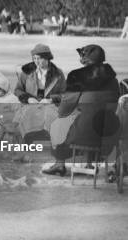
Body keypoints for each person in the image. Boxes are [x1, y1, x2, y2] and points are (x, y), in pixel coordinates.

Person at [45, 45, 120, 176]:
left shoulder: (77, 77)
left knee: (58, 124)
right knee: (92, 117)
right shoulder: (113, 80)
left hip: (84, 134)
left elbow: (65, 109)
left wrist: (60, 104)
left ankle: (59, 164)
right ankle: (89, 162)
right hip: (107, 134)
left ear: (85, 60)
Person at [14, 44, 66, 144]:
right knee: (26, 115)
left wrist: (51, 99)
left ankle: (54, 143)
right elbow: (18, 90)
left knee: (51, 115)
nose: (36, 62)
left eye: (39, 58)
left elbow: (65, 93)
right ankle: (27, 140)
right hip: (30, 105)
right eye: (34, 58)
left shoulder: (58, 73)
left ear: (47, 58)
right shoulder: (26, 72)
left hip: (51, 105)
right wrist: (28, 99)